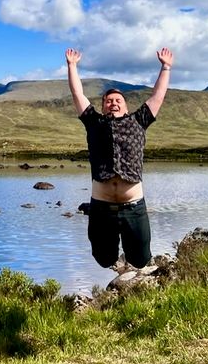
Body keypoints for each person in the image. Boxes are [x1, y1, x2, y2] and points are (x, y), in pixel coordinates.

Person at [65, 47, 174, 269]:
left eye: (118, 101)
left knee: (141, 260)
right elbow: (78, 95)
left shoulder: (138, 121)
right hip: (101, 209)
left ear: (125, 107)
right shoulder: (94, 123)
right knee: (104, 260)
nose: (113, 103)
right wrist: (72, 66)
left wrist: (165, 67)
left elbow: (157, 96)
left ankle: (133, 268)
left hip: (133, 208)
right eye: (108, 101)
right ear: (103, 105)